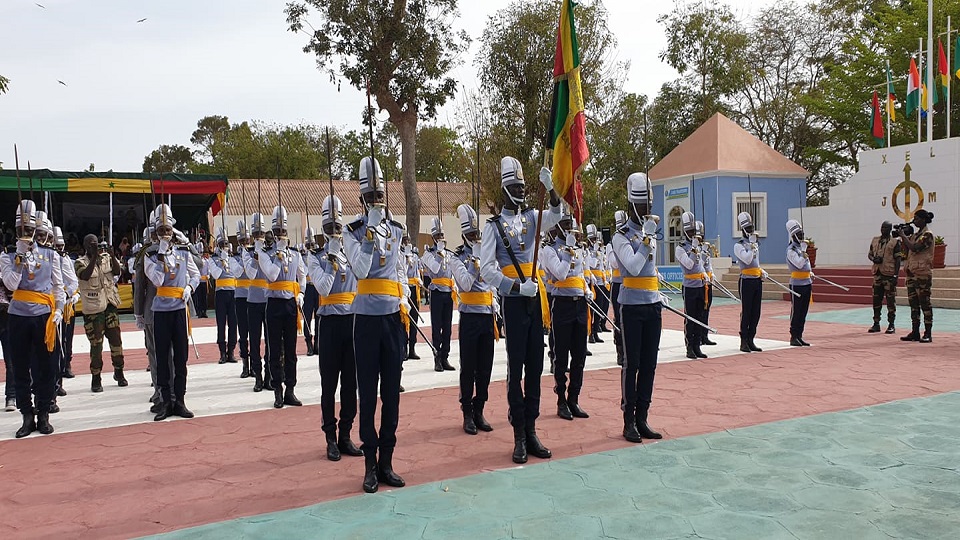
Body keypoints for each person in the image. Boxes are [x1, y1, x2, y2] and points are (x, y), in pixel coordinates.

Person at [480, 156, 561, 464]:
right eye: (516, 186)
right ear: (505, 189)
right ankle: (518, 435)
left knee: (536, 366)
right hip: (514, 299)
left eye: (525, 186)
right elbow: (487, 269)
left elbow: (557, 214)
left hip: (534, 298)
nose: (522, 191)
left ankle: (532, 429)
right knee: (517, 369)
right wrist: (514, 287)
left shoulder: (531, 218)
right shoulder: (493, 227)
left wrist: (550, 187)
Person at [343, 156, 410, 493]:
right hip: (366, 319)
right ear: (361, 200)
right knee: (367, 394)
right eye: (371, 197)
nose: (377, 201)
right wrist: (369, 232)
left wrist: (405, 297)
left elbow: (399, 270)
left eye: (380, 196)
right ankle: (369, 464)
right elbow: (361, 269)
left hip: (391, 319)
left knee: (392, 396)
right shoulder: (351, 231)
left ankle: (387, 461)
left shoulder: (397, 229)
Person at [1, 200, 65, 437]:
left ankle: (44, 412)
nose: (27, 235)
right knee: (20, 366)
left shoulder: (50, 255)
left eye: (30, 231)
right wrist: (19, 255)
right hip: (18, 315)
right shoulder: (7, 255)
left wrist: (59, 309)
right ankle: (26, 415)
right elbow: (10, 284)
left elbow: (58, 286)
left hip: (44, 316)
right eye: (22, 231)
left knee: (46, 366)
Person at [611, 173, 665, 443]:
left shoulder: (650, 232)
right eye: (642, 207)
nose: (646, 212)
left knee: (649, 364)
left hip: (652, 305)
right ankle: (628, 419)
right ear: (632, 205)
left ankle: (643, 416)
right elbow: (632, 266)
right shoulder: (620, 237)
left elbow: (651, 268)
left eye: (649, 207)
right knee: (631, 364)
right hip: (630, 305)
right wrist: (646, 241)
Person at [309, 195, 363, 461]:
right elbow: (323, 288)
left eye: (337, 228)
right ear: (323, 229)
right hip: (329, 322)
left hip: (351, 321)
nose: (334, 232)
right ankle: (330, 437)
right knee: (329, 384)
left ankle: (345, 434)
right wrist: (330, 262)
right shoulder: (316, 257)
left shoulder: (352, 255)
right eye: (329, 228)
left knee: (350, 384)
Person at [144, 204, 200, 421]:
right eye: (161, 231)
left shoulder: (183, 253)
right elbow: (157, 280)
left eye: (168, 230)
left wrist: (189, 288)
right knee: (162, 356)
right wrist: (161, 253)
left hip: (178, 309)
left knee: (181, 358)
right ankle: (165, 401)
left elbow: (197, 272)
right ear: (156, 234)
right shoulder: (150, 255)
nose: (165, 235)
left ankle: (180, 400)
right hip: (161, 310)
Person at [540, 207, 591, 422]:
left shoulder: (577, 248)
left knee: (579, 356)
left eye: (571, 225)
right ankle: (561, 399)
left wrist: (586, 288)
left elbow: (580, 273)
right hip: (561, 304)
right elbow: (560, 274)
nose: (571, 229)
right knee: (562, 356)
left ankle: (574, 398)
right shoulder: (549, 250)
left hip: (579, 304)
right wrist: (569, 253)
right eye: (567, 225)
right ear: (557, 227)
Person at [450, 204, 497, 435]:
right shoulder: (456, 258)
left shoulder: (486, 254)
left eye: (476, 234)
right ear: (463, 236)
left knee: (485, 367)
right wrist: (474, 264)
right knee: (468, 366)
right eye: (470, 235)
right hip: (469, 316)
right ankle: (467, 412)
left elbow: (492, 284)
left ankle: (480, 409)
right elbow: (466, 284)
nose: (474, 238)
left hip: (487, 316)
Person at [257, 205, 307, 409]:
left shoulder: (295, 254)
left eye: (283, 232)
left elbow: (302, 274)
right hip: (274, 304)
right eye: (277, 232)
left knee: (291, 351)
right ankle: (276, 389)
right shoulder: (265, 253)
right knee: (274, 349)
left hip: (290, 303)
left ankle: (290, 389)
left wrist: (301, 293)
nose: (280, 236)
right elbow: (272, 275)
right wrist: (277, 254)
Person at [75, 232, 128, 392]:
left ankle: (119, 371)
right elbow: (85, 276)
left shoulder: (106, 258)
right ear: (85, 246)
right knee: (96, 345)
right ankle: (96, 376)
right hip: (93, 310)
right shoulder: (80, 262)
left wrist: (112, 256)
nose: (95, 246)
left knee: (116, 341)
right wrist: (93, 259)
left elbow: (118, 272)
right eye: (91, 244)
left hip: (110, 305)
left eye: (96, 243)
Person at [421, 217, 456, 372]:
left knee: (447, 327)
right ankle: (437, 356)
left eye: (442, 235)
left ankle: (445, 356)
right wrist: (438, 254)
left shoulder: (450, 254)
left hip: (448, 293)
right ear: (433, 238)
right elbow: (434, 269)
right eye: (438, 236)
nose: (441, 238)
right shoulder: (428, 254)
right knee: (437, 327)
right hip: (436, 293)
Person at [243, 213, 272, 393]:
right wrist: (256, 256)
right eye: (257, 234)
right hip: (253, 300)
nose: (260, 237)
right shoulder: (247, 252)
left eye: (262, 233)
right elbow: (251, 274)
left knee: (271, 340)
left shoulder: (270, 251)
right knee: (254, 340)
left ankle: (269, 375)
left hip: (269, 299)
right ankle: (257, 375)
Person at [898, 209, 935, 343]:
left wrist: (903, 236)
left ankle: (928, 333)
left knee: (925, 304)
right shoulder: (915, 235)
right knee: (913, 304)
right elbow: (906, 251)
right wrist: (904, 236)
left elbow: (915, 247)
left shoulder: (927, 235)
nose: (915, 221)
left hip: (922, 274)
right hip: (912, 274)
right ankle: (915, 332)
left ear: (924, 219)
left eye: (917, 218)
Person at [675, 211, 708, 359]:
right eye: (689, 231)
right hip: (689, 286)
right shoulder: (680, 248)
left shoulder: (698, 245)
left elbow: (699, 265)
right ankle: (689, 347)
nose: (692, 234)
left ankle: (697, 345)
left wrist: (706, 274)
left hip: (700, 284)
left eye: (693, 231)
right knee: (690, 317)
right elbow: (688, 265)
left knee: (700, 316)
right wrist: (694, 250)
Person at [209, 228, 241, 365]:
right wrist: (221, 260)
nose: (224, 247)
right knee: (221, 323)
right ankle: (222, 351)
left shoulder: (233, 258)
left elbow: (236, 272)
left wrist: (227, 258)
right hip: (221, 293)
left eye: (226, 244)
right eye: (222, 244)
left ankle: (231, 350)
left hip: (233, 292)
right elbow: (216, 274)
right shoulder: (213, 259)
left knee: (233, 324)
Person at [733, 212, 765, 353]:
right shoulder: (739, 245)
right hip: (746, 281)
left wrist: (760, 270)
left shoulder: (755, 244)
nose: (751, 231)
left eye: (752, 227)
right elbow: (746, 260)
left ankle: (751, 338)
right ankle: (743, 340)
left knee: (756, 311)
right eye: (748, 228)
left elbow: (755, 262)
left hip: (756, 280)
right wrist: (752, 246)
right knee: (747, 311)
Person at [868, 221, 902, 334]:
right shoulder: (875, 240)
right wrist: (874, 259)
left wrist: (896, 275)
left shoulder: (894, 242)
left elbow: (898, 259)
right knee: (876, 300)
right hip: (877, 274)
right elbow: (870, 253)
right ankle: (876, 323)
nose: (883, 229)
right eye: (882, 227)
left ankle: (891, 324)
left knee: (890, 301)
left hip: (889, 274)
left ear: (890, 229)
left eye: (886, 228)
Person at [55, 227, 79, 380]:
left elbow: (73, 281)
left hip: (67, 304)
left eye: (61, 246)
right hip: (52, 304)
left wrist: (69, 294)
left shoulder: (66, 260)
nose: (59, 248)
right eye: (56, 245)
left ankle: (66, 364)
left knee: (67, 337)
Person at [785, 219, 813, 347]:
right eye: (799, 235)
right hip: (797, 284)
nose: (801, 236)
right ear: (793, 236)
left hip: (806, 282)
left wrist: (810, 272)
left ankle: (800, 335)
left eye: (802, 234)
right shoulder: (791, 250)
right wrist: (803, 251)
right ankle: (793, 335)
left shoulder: (801, 248)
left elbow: (807, 264)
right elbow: (799, 263)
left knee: (803, 311)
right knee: (796, 311)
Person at [606, 210, 627, 366]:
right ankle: (620, 351)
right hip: (617, 283)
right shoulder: (611, 244)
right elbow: (614, 263)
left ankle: (629, 350)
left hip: (629, 283)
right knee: (619, 319)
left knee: (629, 318)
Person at [234, 220, 252, 378]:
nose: (245, 243)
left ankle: (254, 363)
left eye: (247, 240)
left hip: (254, 297)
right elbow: (239, 272)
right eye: (242, 241)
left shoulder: (256, 253)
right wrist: (246, 258)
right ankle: (245, 363)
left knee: (254, 333)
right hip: (240, 297)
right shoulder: (235, 257)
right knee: (243, 332)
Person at [585, 224, 608, 341]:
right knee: (592, 309)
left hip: (600, 283)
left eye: (596, 239)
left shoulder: (599, 251)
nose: (595, 241)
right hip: (592, 284)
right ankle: (590, 334)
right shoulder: (587, 251)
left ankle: (596, 331)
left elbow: (602, 267)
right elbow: (592, 265)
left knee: (600, 308)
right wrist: (594, 253)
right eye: (593, 239)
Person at [696, 221, 717, 347]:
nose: (700, 239)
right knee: (698, 312)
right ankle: (696, 337)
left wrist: (712, 273)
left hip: (707, 283)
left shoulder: (704, 247)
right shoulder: (695, 249)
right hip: (698, 283)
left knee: (706, 310)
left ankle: (704, 335)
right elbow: (698, 265)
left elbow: (708, 264)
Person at [402, 232, 422, 360]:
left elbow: (417, 270)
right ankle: (404, 348)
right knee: (404, 320)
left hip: (415, 289)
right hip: (404, 289)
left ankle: (412, 348)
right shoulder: (399, 255)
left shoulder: (415, 255)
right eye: (404, 240)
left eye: (408, 240)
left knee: (414, 319)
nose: (406, 242)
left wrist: (420, 280)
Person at [301, 227, 321, 357]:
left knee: (319, 317)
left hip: (317, 288)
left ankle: (318, 343)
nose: (310, 246)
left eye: (312, 244)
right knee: (307, 317)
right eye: (308, 244)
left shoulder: (318, 253)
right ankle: (309, 343)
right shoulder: (301, 254)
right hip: (307, 288)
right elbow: (305, 271)